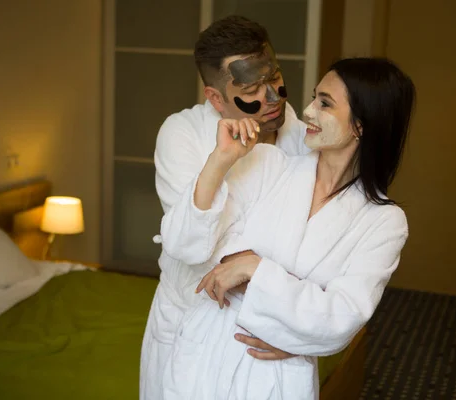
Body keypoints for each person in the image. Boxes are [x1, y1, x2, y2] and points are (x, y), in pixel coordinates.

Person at [159, 57, 415, 399]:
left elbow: (339, 320)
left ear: (361, 125)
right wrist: (220, 160)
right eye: (313, 97)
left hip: (274, 379)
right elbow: (188, 247)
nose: (307, 111)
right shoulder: (266, 164)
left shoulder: (383, 222)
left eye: (324, 103)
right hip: (202, 358)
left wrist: (255, 268)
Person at [140, 16, 309, 399]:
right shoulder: (181, 133)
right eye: (252, 87)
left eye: (275, 77)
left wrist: (304, 331)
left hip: (272, 330)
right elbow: (189, 247)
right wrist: (220, 162)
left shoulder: (303, 135)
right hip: (190, 324)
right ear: (215, 98)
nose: (273, 97)